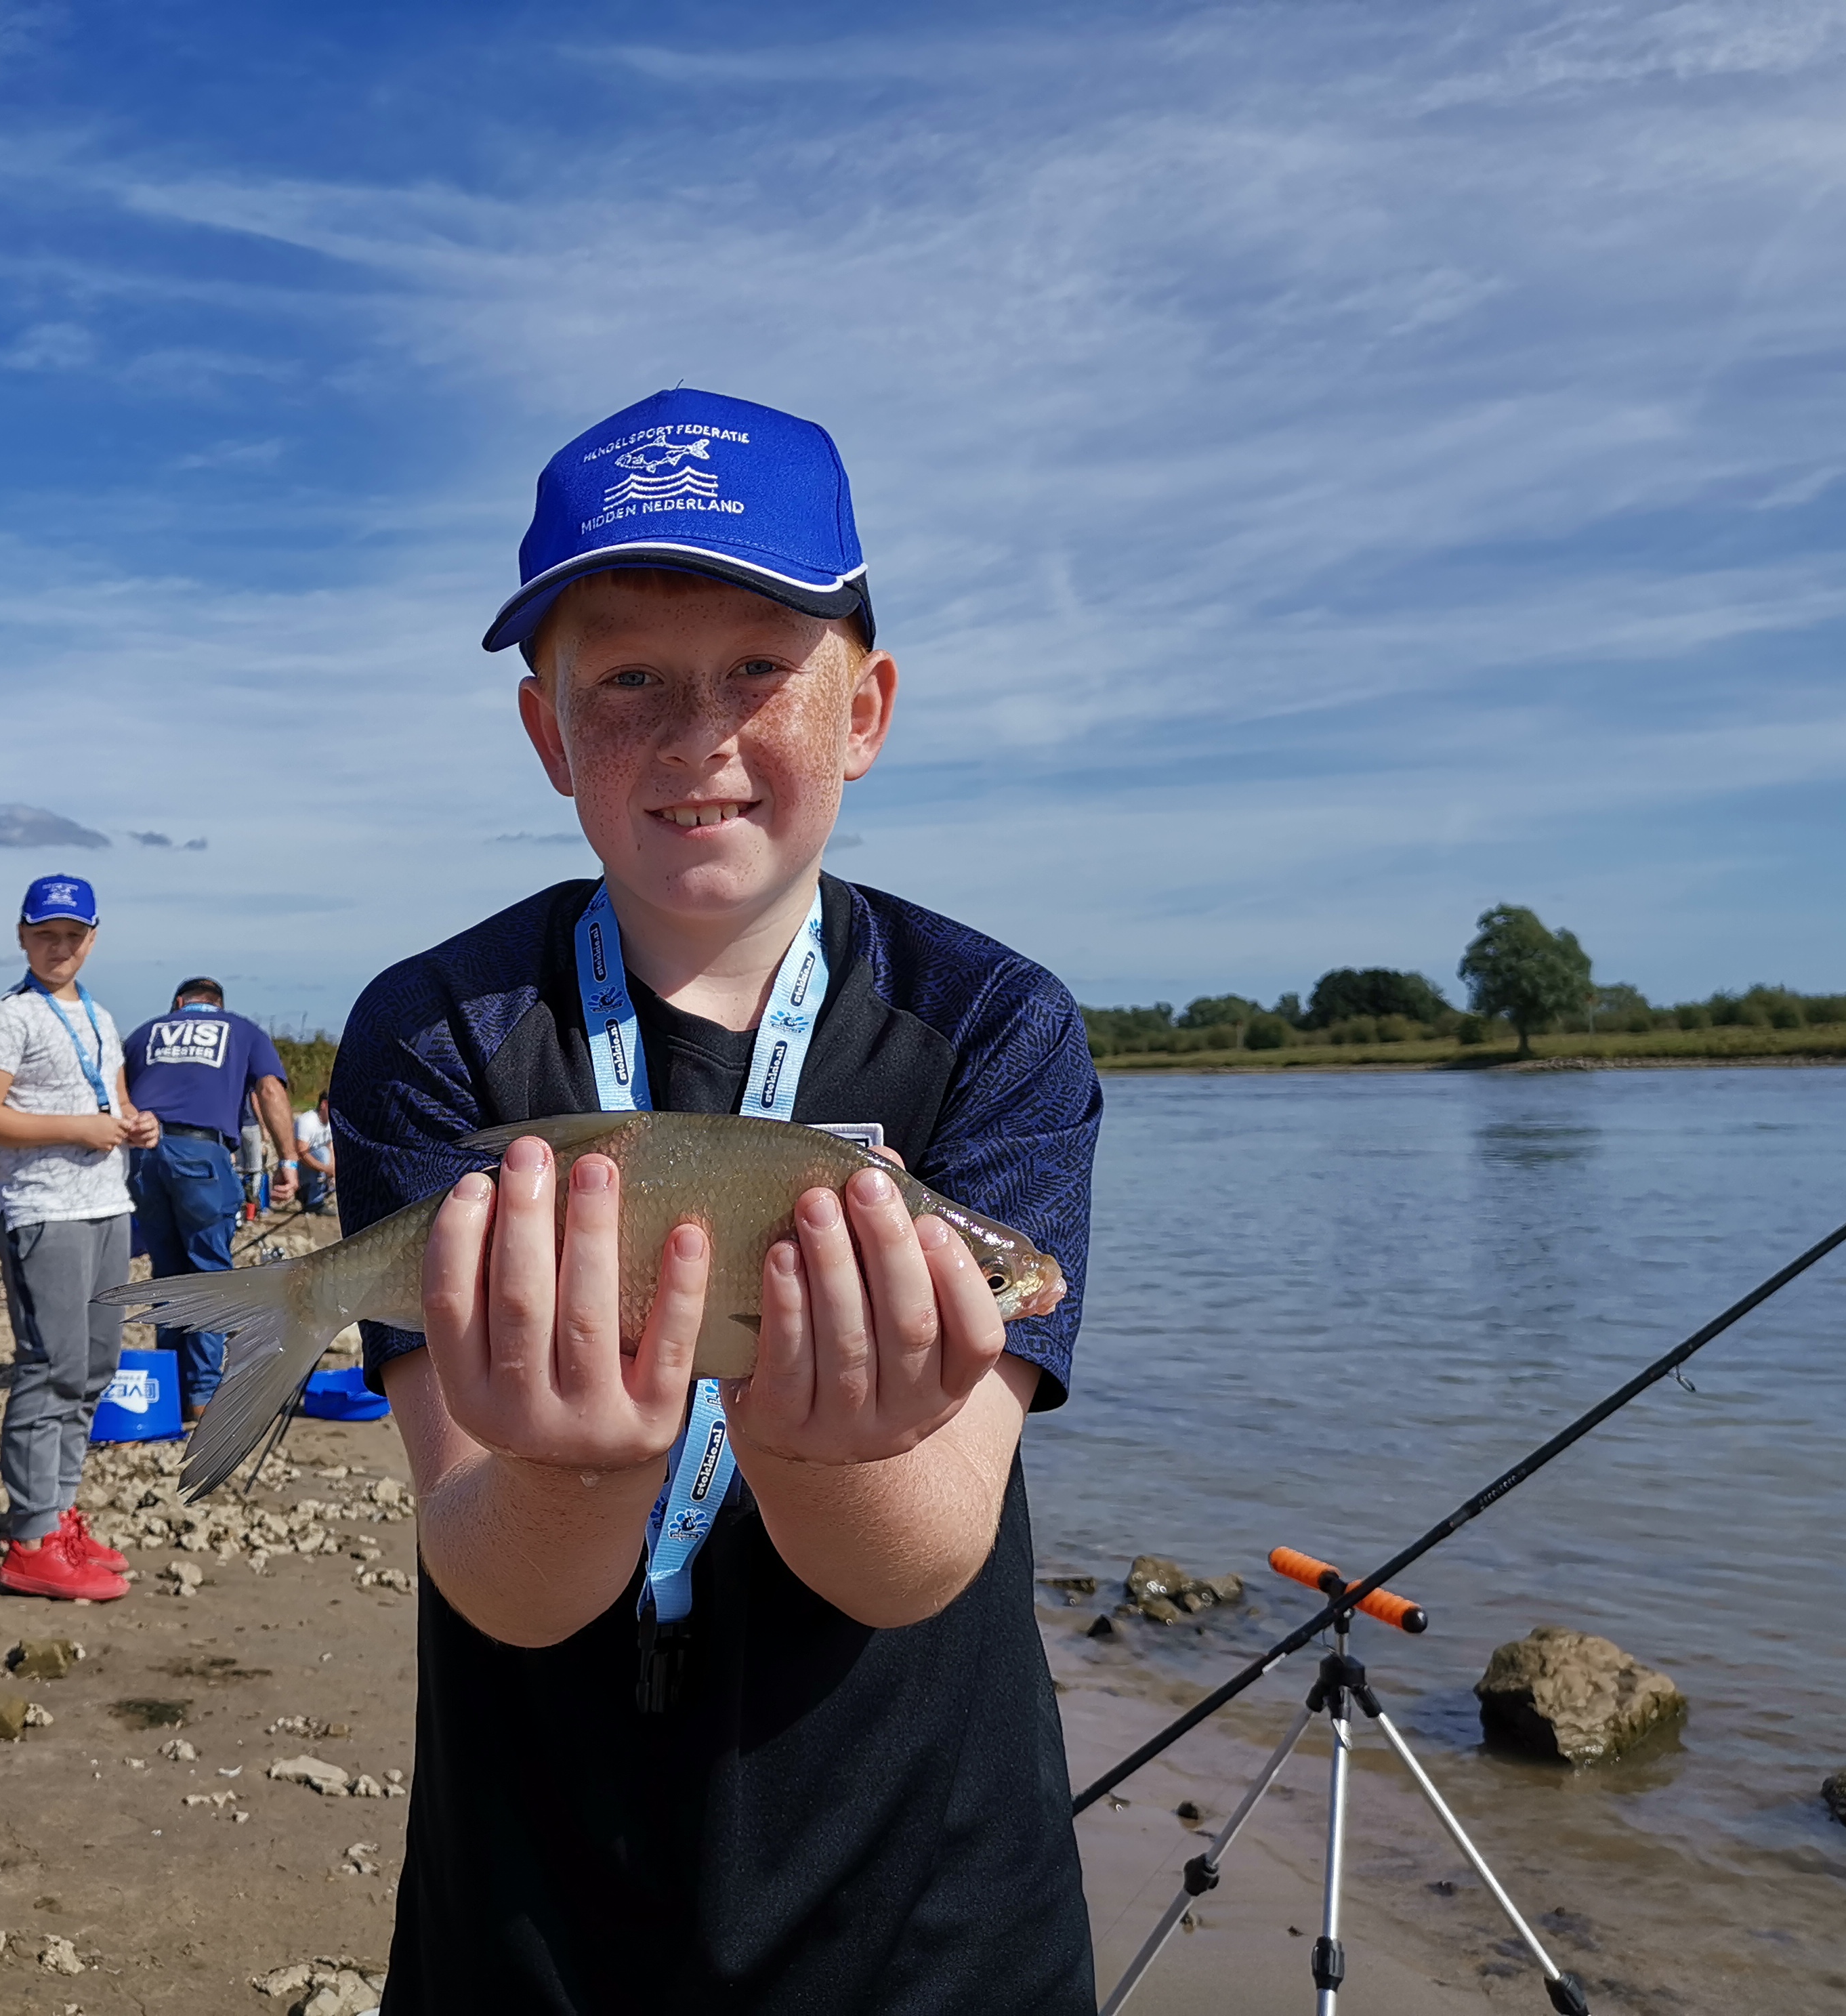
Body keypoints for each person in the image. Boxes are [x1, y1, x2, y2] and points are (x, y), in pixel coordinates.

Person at [331, 388, 1102, 2011]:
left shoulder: (995, 1027)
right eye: (627, 681)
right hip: (532, 1897)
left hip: (927, 1906)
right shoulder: (433, 1030)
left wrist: (816, 1451)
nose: (698, 736)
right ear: (547, 732)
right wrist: (574, 1465)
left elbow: (915, 1563)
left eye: (760, 668)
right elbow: (498, 1581)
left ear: (863, 709)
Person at [0, 874, 160, 1603]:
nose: (59, 948)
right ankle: (32, 1540)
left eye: (73, 936)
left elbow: (116, 1100)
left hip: (107, 1205)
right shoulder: (9, 1017)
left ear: (92, 939)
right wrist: (76, 1128)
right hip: (42, 1211)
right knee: (51, 1368)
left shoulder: (99, 1016)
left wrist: (138, 1124)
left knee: (94, 1367)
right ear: (22, 936)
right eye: (46, 935)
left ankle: (61, 1512)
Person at [122, 976, 299, 1423]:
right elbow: (270, 1090)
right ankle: (202, 1394)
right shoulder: (242, 1030)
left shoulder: (145, 1033)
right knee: (209, 1275)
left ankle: (168, 1388)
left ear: (179, 1003)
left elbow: (115, 1092)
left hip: (142, 1156)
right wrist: (288, 1160)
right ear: (217, 1005)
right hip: (201, 1155)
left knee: (167, 1274)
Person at [292, 1091, 335, 1213]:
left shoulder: (330, 1123)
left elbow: (331, 1146)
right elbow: (301, 1153)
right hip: (299, 1165)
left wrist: (333, 1169)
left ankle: (319, 1197)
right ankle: (312, 1200)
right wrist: (326, 1169)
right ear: (324, 1104)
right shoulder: (307, 1121)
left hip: (318, 1165)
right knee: (323, 1154)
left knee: (331, 1155)